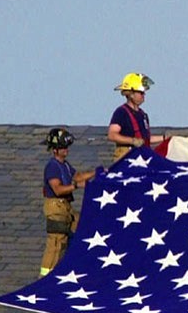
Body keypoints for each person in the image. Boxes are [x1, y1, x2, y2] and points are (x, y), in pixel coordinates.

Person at [41, 128, 95, 277]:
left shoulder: (64, 165)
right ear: (55, 149)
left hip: (66, 208)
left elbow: (78, 176)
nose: (66, 150)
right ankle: (45, 279)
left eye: (67, 147)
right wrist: (76, 186)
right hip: (56, 209)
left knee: (81, 228)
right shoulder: (52, 166)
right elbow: (57, 189)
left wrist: (96, 172)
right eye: (63, 147)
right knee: (57, 243)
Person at [108, 72, 169, 162]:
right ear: (131, 94)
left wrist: (165, 138)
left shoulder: (143, 115)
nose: (144, 95)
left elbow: (145, 139)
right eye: (141, 93)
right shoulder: (121, 112)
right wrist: (132, 141)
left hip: (142, 157)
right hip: (127, 158)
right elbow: (112, 135)